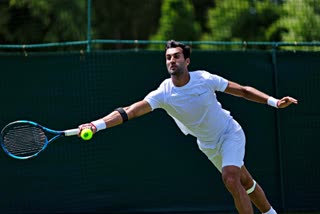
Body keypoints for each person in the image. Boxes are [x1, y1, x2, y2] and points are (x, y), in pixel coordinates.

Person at [79, 40, 298, 214]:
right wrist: (96, 125)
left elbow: (241, 90)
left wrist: (274, 101)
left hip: (230, 133)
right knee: (245, 181)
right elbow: (130, 110)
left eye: (176, 56)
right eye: (168, 58)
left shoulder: (204, 79)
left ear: (187, 61)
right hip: (208, 145)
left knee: (231, 178)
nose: (171, 61)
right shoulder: (163, 93)